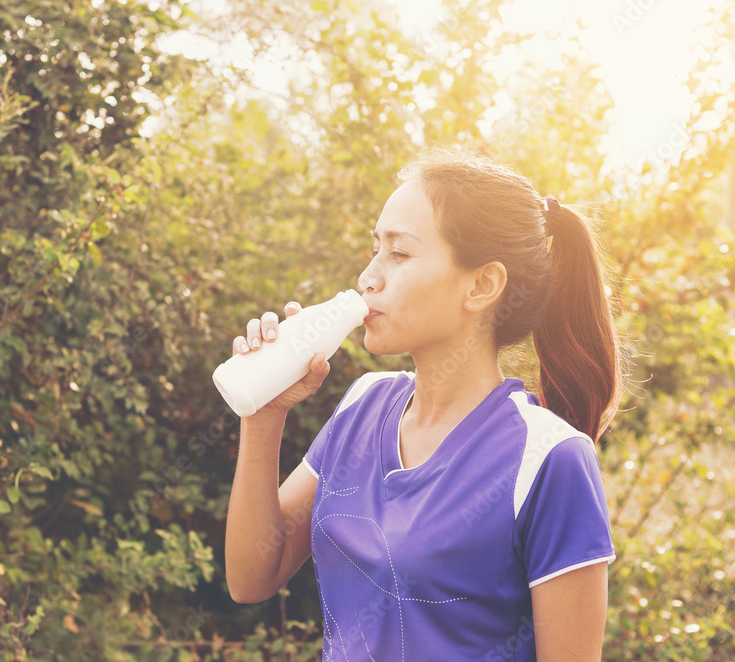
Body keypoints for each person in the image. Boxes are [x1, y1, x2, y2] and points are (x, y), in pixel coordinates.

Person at [224, 148, 622, 661]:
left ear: (482, 285)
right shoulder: (363, 404)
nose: (369, 277)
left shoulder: (548, 459)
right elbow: (252, 577)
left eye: (399, 254)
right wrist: (264, 416)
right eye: (375, 248)